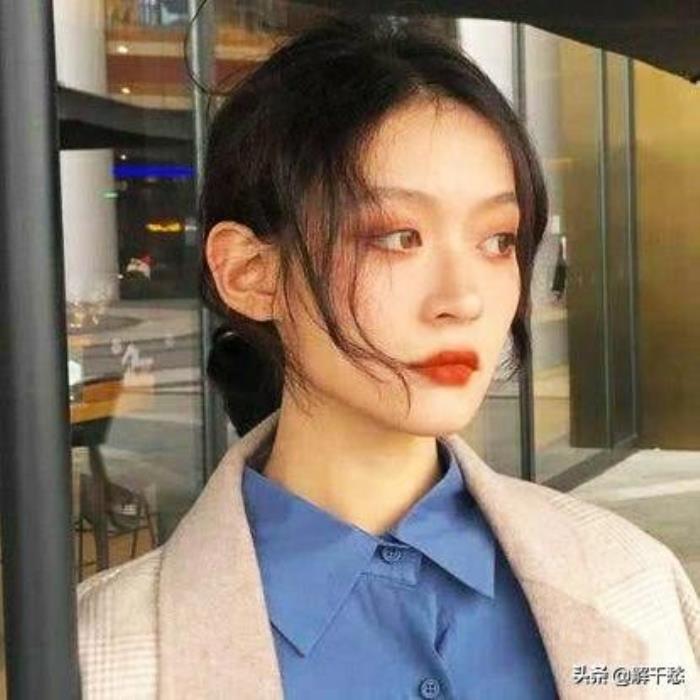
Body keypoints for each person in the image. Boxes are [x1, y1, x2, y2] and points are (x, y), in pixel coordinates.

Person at [76, 15, 699, 699]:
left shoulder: (631, 582)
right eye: (399, 236)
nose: (463, 299)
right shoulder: (103, 657)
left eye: (497, 240)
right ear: (250, 272)